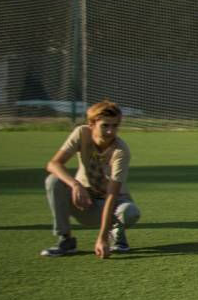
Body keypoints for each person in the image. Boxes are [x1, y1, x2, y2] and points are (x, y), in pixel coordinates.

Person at [41, 100, 141, 258]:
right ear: (92, 124)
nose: (110, 131)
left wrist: (101, 239)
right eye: (105, 125)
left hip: (110, 205)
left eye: (115, 126)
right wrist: (75, 185)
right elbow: (53, 164)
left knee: (130, 211)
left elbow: (112, 195)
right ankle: (65, 240)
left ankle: (115, 233)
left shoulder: (120, 151)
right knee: (53, 181)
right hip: (83, 201)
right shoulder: (81, 133)